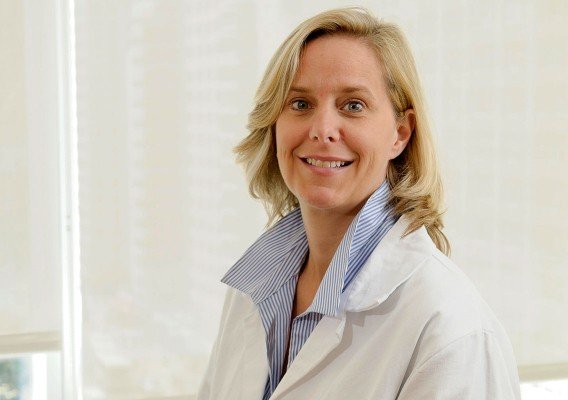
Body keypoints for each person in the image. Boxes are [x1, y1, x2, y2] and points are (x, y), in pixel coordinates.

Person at [198, 7, 521, 400]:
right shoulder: (253, 290)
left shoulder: (450, 329)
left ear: (400, 134)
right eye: (300, 104)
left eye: (353, 105)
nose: (322, 130)